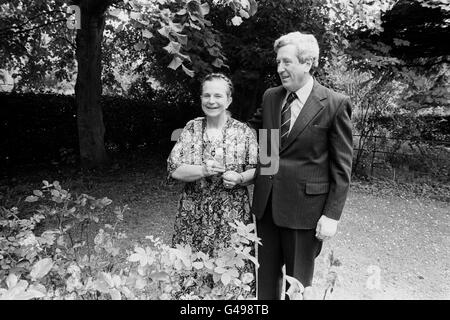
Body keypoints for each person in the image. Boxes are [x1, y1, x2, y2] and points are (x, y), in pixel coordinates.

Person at [247, 31, 353, 299]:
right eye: (278, 62)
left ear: (307, 63)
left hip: (305, 213)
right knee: (264, 285)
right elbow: (266, 145)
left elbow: (342, 167)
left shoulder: (334, 103)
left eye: (287, 62)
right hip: (267, 207)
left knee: (297, 288)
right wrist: (213, 130)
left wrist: (332, 215)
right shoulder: (271, 97)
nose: (280, 68)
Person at [167, 73, 258, 295]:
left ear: (228, 100)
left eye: (218, 95)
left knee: (230, 277)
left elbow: (258, 169)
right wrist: (203, 170)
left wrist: (240, 178)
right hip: (193, 215)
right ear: (201, 99)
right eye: (206, 95)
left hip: (232, 216)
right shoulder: (191, 129)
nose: (211, 100)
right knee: (190, 277)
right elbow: (174, 168)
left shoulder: (243, 132)